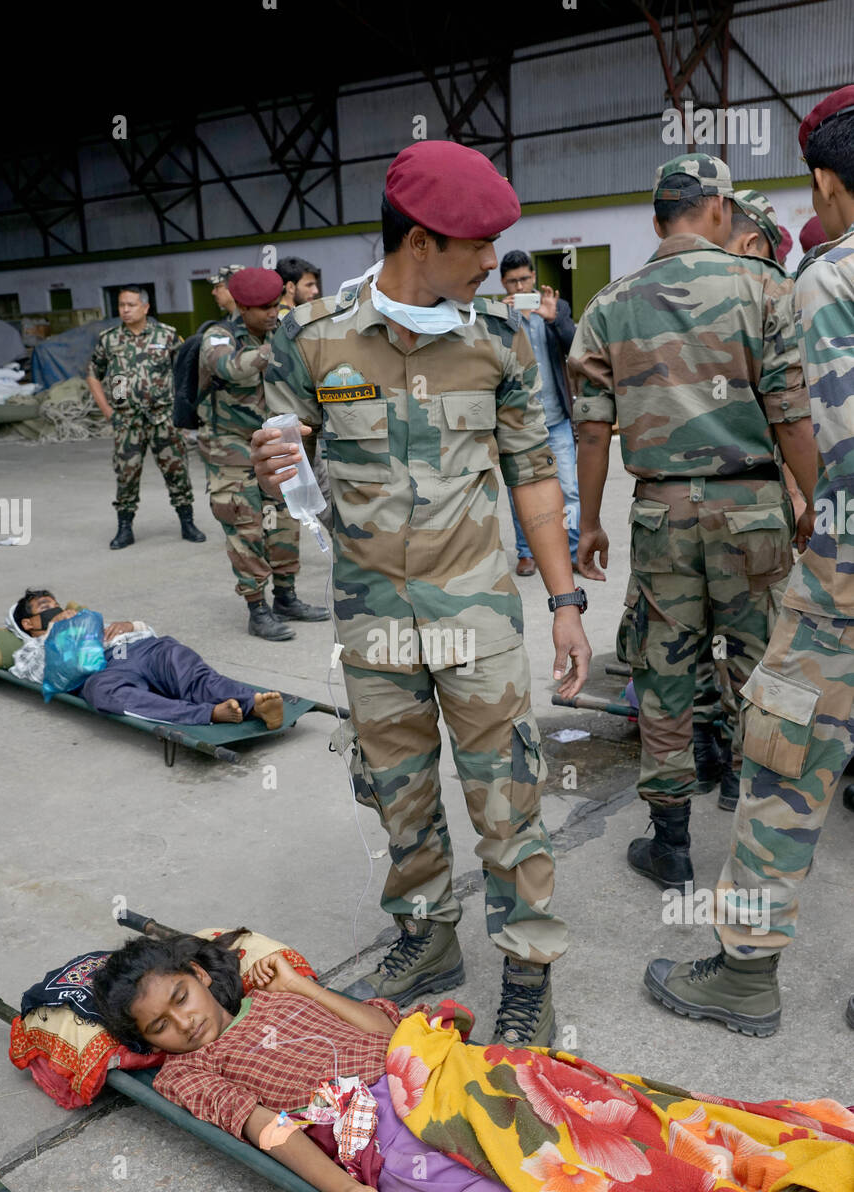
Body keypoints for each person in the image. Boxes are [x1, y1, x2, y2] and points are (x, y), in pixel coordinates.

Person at [251, 141, 592, 1046]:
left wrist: (565, 602)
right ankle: (426, 938)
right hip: (372, 616)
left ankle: (526, 971)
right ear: (417, 242)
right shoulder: (314, 337)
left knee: (504, 794)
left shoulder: (499, 339)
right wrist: (274, 465)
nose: (492, 262)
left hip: (474, 612)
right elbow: (287, 456)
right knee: (395, 787)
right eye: (475, 245)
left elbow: (531, 477)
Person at [90, 929, 854, 1192]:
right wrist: (354, 1191)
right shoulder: (192, 1075)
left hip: (450, 1075)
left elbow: (387, 1031)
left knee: (631, 1127)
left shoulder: (269, 992)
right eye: (158, 1026)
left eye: (181, 998)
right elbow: (270, 1128)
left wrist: (298, 987)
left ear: (197, 973)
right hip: (387, 1136)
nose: (183, 1023)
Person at [645, 87, 854, 1037]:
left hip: (842, 585)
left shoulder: (830, 278)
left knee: (782, 760)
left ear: (825, 181)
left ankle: (741, 975)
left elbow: (833, 442)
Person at [569, 155, 817, 895]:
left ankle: (670, 845)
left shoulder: (610, 303)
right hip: (752, 510)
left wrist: (587, 524)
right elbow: (791, 413)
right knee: (760, 669)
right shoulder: (767, 286)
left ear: (655, 220)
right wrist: (818, 500)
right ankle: (755, 816)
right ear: (716, 209)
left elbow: (590, 431)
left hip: (661, 512)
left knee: (666, 671)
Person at [690, 189, 808, 811]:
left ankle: (720, 758)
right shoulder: (755, 297)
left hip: (704, 501)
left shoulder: (763, 292)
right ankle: (730, 765)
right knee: (746, 642)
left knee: (712, 638)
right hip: (749, 500)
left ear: (752, 242)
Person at [196, 267, 327, 639]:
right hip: (230, 448)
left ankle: (286, 597)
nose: (272, 313)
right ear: (241, 307)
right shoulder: (218, 337)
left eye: (275, 305)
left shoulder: (278, 331)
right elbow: (228, 368)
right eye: (263, 308)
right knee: (244, 526)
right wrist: (276, 349)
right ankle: (257, 608)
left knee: (284, 519)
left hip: (273, 444)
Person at [8, 588, 283, 728]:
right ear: (29, 624)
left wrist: (133, 625)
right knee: (105, 695)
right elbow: (42, 675)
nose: (54, 608)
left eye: (55, 603)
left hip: (142, 649)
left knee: (180, 662)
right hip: (103, 673)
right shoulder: (30, 649)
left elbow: (147, 631)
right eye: (44, 607)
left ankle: (255, 706)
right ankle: (210, 714)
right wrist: (61, 631)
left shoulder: (88, 620)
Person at [86, 286, 206, 551]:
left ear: (145, 307)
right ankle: (124, 528)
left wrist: (183, 408)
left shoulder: (167, 335)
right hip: (127, 421)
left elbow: (186, 369)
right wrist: (108, 410)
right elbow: (94, 373)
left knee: (176, 471)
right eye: (121, 305)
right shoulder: (110, 339)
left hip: (163, 417)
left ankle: (187, 522)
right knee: (126, 474)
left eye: (130, 305)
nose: (125, 310)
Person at [499, 251, 579, 575]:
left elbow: (576, 346)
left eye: (524, 279)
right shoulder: (500, 314)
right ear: (503, 283)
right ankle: (525, 552)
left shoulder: (556, 309)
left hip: (557, 418)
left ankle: (572, 550)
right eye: (512, 281)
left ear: (533, 277)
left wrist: (553, 318)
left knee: (569, 489)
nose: (519, 285)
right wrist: (506, 319)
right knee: (521, 489)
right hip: (519, 422)